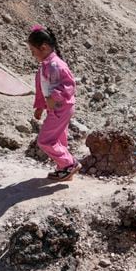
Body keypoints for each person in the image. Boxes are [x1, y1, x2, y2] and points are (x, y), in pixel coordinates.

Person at [29, 26, 81, 181]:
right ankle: (64, 169)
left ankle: (69, 164)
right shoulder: (45, 66)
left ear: (43, 47)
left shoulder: (56, 65)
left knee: (45, 140)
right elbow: (41, 88)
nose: (32, 55)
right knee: (59, 139)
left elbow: (69, 85)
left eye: (33, 51)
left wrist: (54, 97)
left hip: (61, 108)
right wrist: (39, 106)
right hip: (57, 109)